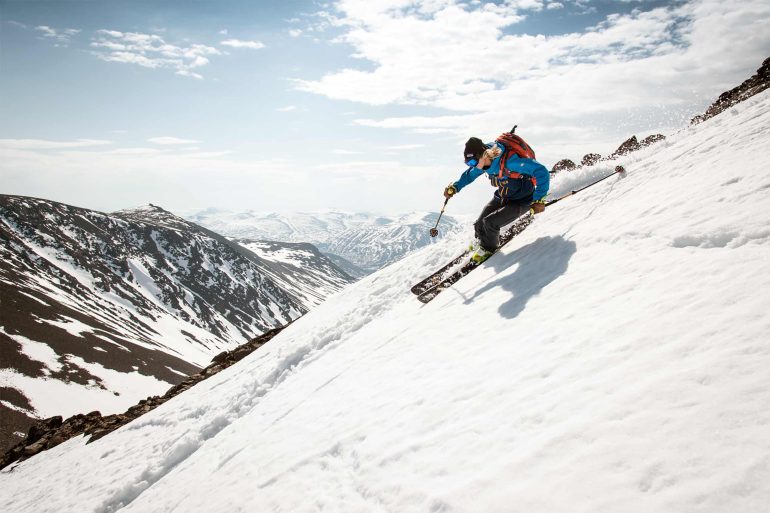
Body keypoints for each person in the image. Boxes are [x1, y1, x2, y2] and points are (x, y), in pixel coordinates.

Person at [444, 136, 550, 264]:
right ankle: (481, 242)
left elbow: (541, 171)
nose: (473, 166)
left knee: (490, 223)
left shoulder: (511, 162)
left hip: (523, 200)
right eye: (469, 164)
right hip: (503, 196)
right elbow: (470, 175)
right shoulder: (483, 163)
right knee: (479, 225)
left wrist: (539, 199)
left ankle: (488, 249)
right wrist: (455, 187)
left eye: (472, 162)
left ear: (483, 155)